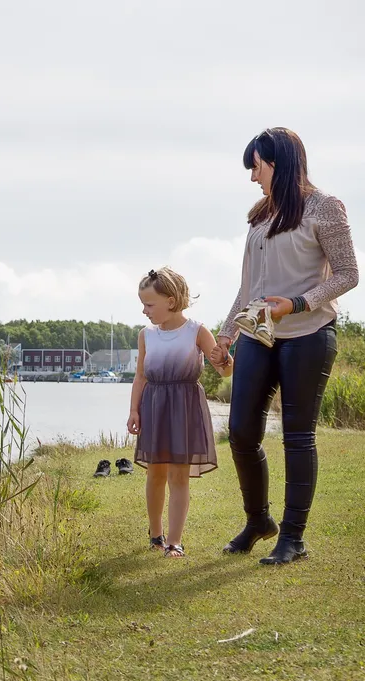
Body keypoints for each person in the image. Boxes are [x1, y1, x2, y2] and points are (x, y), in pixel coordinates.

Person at [210, 128, 358, 565]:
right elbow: (250, 286)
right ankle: (259, 520)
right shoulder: (259, 216)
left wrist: (296, 304)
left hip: (309, 333)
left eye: (256, 166)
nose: (252, 176)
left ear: (280, 163)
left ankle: (293, 537)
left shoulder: (324, 207)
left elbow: (348, 274)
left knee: (297, 437)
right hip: (258, 334)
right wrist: (225, 334)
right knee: (240, 431)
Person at [128, 267, 233, 558]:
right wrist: (134, 410)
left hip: (185, 407)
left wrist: (225, 358)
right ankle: (155, 534)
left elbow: (225, 370)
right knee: (155, 474)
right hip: (154, 406)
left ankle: (174, 541)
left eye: (149, 304)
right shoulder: (146, 335)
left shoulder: (196, 330)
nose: (144, 311)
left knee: (178, 477)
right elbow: (140, 377)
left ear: (171, 301)